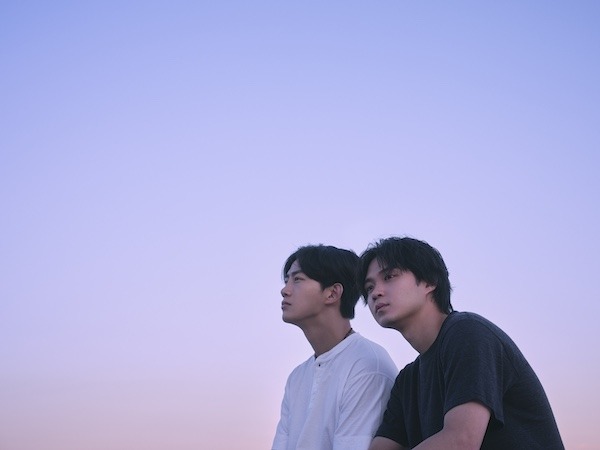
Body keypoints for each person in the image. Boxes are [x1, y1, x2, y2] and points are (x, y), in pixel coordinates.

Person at [358, 236, 564, 450]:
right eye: (369, 287)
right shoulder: (407, 381)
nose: (376, 293)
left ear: (429, 282)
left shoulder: (468, 333)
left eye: (389, 277)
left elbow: (461, 441)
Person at [272, 244, 398, 450]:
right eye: (287, 281)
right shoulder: (296, 377)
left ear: (332, 293)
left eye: (298, 279)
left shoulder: (368, 365)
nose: (285, 290)